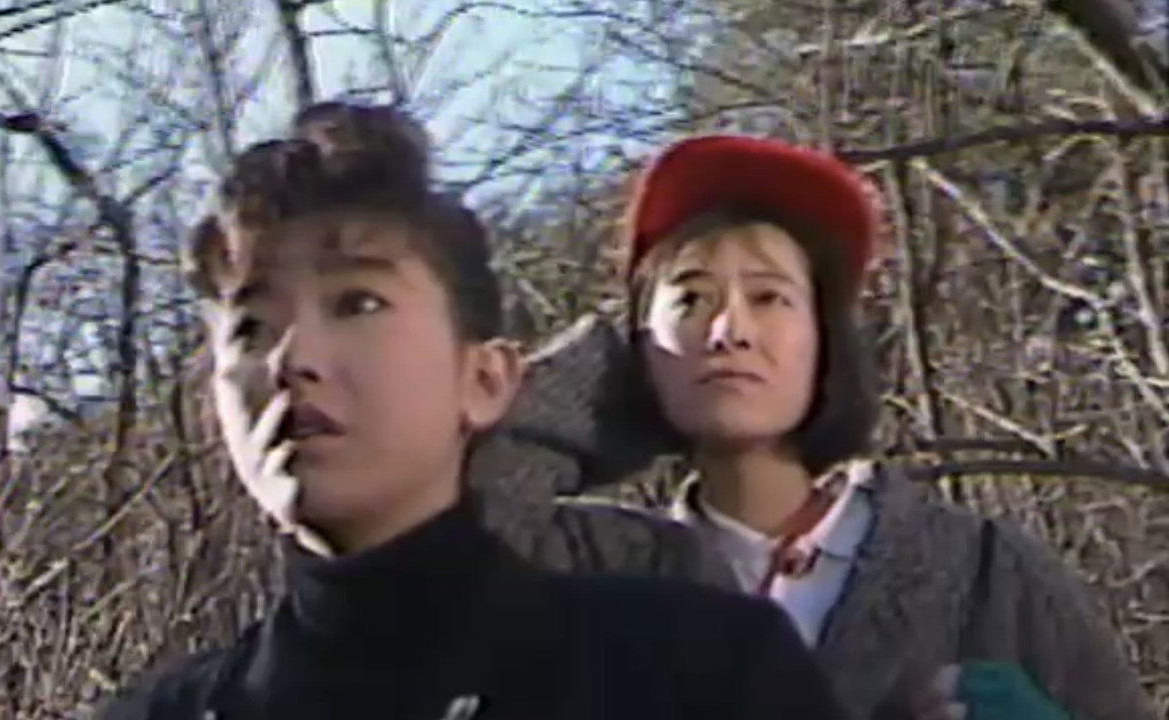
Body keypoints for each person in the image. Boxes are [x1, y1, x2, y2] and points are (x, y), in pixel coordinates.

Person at [95, 106, 845, 720]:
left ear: (485, 379)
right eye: (251, 328)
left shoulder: (696, 671)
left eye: (357, 303)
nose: (292, 358)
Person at [494, 135, 1157, 720]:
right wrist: (591, 383)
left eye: (769, 296)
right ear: (639, 345)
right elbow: (451, 521)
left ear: (826, 341)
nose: (728, 331)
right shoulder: (594, 570)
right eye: (690, 298)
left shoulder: (988, 572)